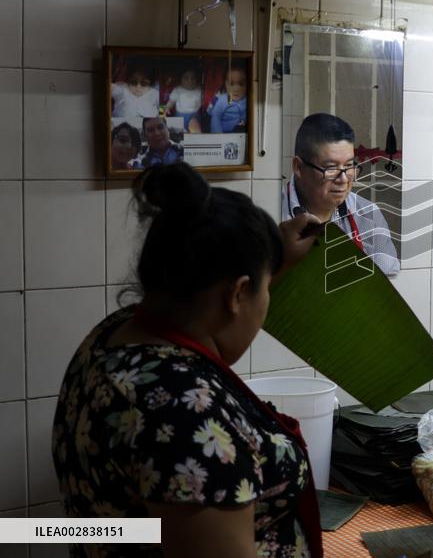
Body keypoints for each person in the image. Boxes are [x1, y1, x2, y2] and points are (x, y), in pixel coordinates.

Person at [52, 163, 324, 557]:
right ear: (237, 294)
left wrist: (271, 257)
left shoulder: (113, 339)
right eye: (264, 289)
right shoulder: (188, 418)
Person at [282, 113, 400, 276]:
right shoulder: (273, 213)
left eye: (349, 166)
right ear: (298, 167)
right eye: (331, 168)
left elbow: (388, 280)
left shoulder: (368, 215)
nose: (343, 179)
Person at [207, 68, 248, 133]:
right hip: (224, 133)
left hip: (241, 134)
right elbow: (216, 117)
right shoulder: (223, 100)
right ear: (226, 84)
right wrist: (218, 135)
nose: (236, 89)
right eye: (231, 84)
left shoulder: (247, 99)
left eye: (241, 84)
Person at [164, 68, 204, 132]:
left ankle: (197, 138)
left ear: (197, 79)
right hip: (179, 116)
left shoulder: (199, 90)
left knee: (195, 126)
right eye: (186, 78)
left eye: (193, 78)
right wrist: (167, 108)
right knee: (178, 133)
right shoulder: (178, 90)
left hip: (194, 116)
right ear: (181, 80)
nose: (190, 81)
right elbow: (171, 101)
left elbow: (204, 102)